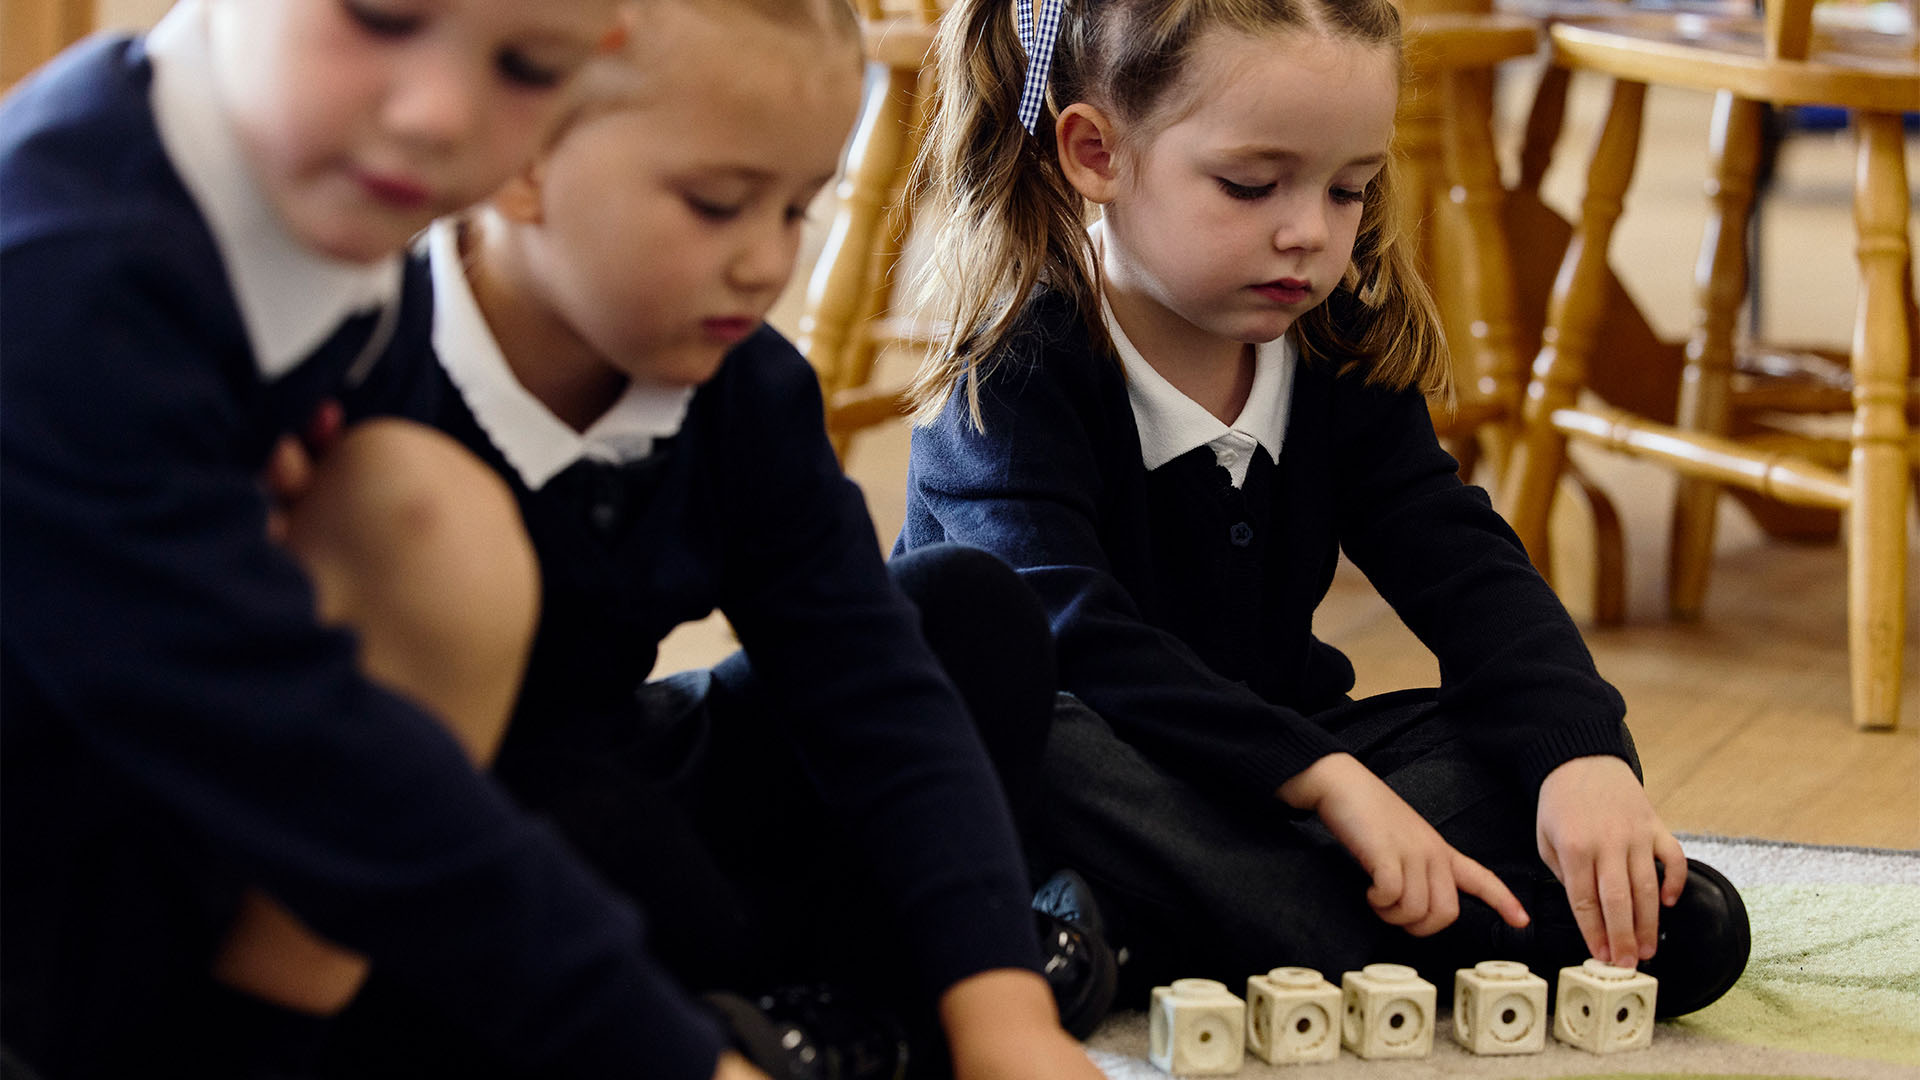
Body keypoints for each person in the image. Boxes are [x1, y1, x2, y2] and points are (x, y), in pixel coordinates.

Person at [894, 0, 1751, 1025]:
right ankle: (1380, 930)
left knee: (1523, 769)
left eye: (1349, 190)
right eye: (1251, 185)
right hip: (1105, 766)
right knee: (1009, 743)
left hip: (1259, 778)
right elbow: (1075, 638)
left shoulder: (1335, 346)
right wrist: (1327, 784)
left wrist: (1581, 753)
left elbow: (1461, 560)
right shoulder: (1017, 374)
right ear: (1096, 153)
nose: (1310, 233)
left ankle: (1141, 931)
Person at [0, 0, 807, 1076]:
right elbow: (301, 737)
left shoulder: (329, 215)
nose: (438, 113)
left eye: (525, 66)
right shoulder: (72, 274)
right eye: (380, 17)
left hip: (128, 792)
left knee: (424, 523)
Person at [312, 2, 1113, 1078]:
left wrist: (1000, 1008)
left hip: (630, 772)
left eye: (796, 213)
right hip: (426, 837)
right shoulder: (356, 367)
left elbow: (870, 684)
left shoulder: (746, 387)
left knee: (966, 614)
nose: (765, 266)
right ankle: (762, 1013)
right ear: (521, 166)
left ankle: (852, 1003)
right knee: (597, 852)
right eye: (718, 206)